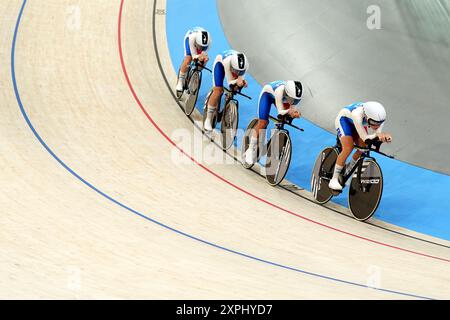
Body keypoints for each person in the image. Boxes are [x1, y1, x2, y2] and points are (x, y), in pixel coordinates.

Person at [329, 101, 393, 191]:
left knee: (363, 148)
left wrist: (384, 137)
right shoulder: (357, 114)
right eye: (373, 122)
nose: (376, 125)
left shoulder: (379, 118)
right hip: (344, 120)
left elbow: (377, 133)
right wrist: (378, 135)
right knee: (348, 147)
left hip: (359, 123)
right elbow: (365, 137)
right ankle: (334, 179)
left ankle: (349, 168)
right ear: (367, 116)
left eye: (379, 123)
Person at [244, 80, 303, 165]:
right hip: (267, 96)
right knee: (263, 122)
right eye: (292, 99)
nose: (294, 102)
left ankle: (274, 135)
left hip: (283, 99)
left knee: (286, 117)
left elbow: (291, 110)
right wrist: (290, 111)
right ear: (287, 93)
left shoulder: (292, 96)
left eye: (296, 100)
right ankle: (250, 149)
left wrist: (294, 113)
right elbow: (280, 112)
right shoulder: (280, 91)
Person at [204, 50, 249, 131]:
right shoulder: (227, 62)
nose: (237, 73)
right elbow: (230, 83)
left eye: (240, 72)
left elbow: (238, 81)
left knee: (234, 89)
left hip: (233, 66)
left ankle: (227, 102)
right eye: (236, 71)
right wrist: (237, 82)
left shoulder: (245, 66)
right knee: (218, 90)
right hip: (220, 64)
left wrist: (242, 83)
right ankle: (208, 119)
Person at [176, 27, 212, 94]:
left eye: (203, 47)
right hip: (189, 39)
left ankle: (195, 75)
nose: (201, 49)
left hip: (199, 43)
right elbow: (194, 55)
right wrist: (197, 56)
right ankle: (180, 81)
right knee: (188, 58)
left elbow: (204, 53)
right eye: (200, 47)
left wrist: (202, 61)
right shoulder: (192, 38)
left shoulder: (209, 43)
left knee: (204, 59)